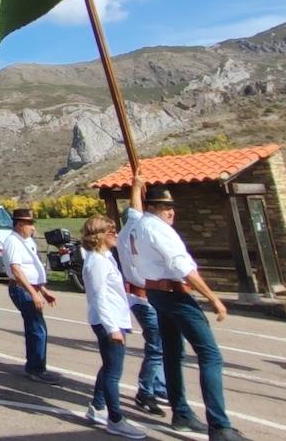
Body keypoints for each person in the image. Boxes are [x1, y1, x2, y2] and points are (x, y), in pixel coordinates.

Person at [129, 184, 245, 441]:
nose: (169, 212)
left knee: (173, 352)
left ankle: (181, 412)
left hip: (158, 293)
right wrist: (213, 298)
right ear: (152, 208)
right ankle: (219, 425)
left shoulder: (140, 226)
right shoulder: (156, 229)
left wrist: (137, 186)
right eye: (163, 207)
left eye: (170, 207)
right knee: (210, 354)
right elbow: (182, 266)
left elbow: (133, 212)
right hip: (173, 292)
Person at [82, 215, 147, 439]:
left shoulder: (105, 257)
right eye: (111, 232)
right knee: (113, 371)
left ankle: (97, 406)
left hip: (115, 319)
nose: (116, 235)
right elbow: (99, 297)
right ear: (100, 236)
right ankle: (116, 419)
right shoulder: (97, 262)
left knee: (109, 365)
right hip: (108, 321)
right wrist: (112, 328)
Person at [117, 175, 167, 416]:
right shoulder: (142, 230)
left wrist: (136, 188)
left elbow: (135, 211)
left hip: (146, 297)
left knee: (161, 344)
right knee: (156, 346)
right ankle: (145, 391)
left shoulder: (131, 228)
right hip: (143, 297)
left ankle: (159, 385)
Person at [3, 207, 59, 384]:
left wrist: (42, 290)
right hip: (22, 289)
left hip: (30, 289)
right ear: (19, 224)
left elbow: (32, 268)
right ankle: (36, 369)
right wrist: (33, 293)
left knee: (35, 327)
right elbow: (16, 270)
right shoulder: (13, 242)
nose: (33, 227)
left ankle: (34, 366)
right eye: (29, 224)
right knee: (38, 329)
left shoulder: (27, 241)